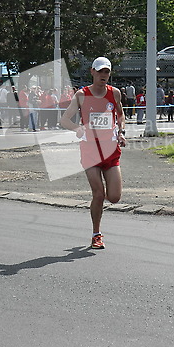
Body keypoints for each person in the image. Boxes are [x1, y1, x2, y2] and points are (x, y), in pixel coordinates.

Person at [60, 57, 126, 249]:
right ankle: (96, 234)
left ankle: (99, 211)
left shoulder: (115, 93)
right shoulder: (82, 94)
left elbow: (120, 115)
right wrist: (78, 129)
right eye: (100, 72)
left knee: (114, 197)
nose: (103, 75)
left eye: (106, 72)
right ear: (92, 72)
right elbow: (65, 120)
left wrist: (121, 132)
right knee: (99, 194)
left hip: (111, 150)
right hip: (90, 151)